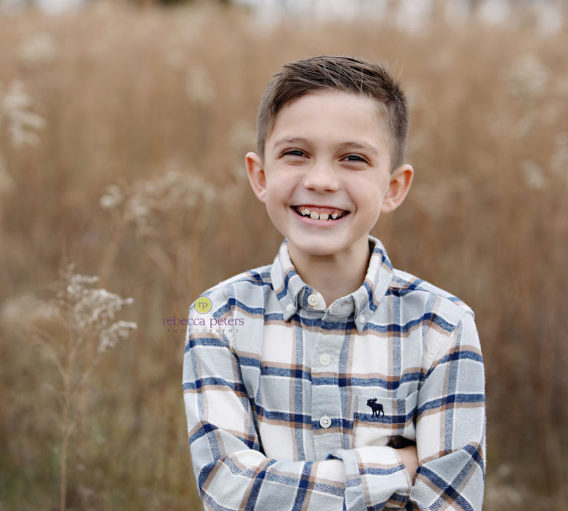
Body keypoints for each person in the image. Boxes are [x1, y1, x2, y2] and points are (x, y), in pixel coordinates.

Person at [182, 56, 485, 510]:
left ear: (394, 187)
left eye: (353, 158)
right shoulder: (219, 317)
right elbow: (229, 490)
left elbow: (451, 500)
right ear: (260, 176)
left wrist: (275, 483)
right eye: (296, 153)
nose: (321, 180)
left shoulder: (442, 326)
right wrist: (396, 467)